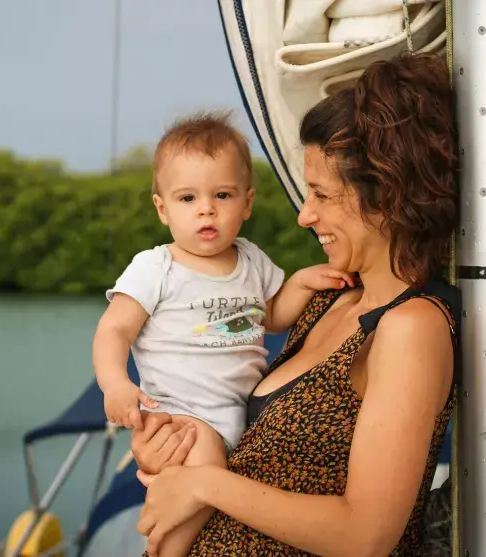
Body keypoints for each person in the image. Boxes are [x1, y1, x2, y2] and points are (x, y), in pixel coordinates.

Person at [129, 51, 460, 556]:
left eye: (321, 195)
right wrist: (170, 442)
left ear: (387, 197)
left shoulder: (411, 326)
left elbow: (364, 537)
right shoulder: (328, 300)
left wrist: (203, 485)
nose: (305, 216)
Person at [92, 110, 356, 557]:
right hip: (180, 414)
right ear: (162, 208)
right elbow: (113, 328)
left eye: (222, 195)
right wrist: (115, 384)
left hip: (237, 417)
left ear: (247, 203)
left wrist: (303, 283)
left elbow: (271, 316)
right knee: (201, 482)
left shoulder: (251, 260)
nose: (206, 209)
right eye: (187, 198)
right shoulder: (156, 268)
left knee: (220, 501)